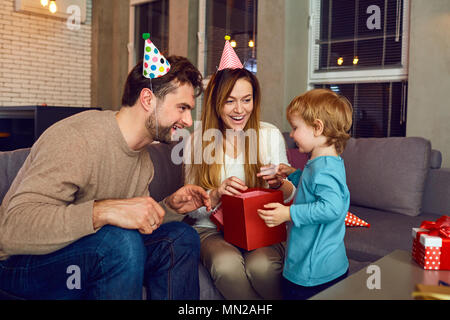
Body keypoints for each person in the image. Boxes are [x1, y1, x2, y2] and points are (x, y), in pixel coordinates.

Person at [0, 50, 211, 300]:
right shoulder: (78, 139)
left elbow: (132, 225)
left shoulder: (143, 158)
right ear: (148, 99)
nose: (188, 120)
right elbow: (10, 230)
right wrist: (103, 211)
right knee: (119, 242)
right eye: (182, 108)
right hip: (21, 265)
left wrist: (170, 208)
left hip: (92, 251)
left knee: (181, 238)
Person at [183, 38, 296, 300]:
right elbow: (194, 210)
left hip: (261, 226)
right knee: (227, 266)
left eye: (246, 100)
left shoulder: (268, 135)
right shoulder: (195, 142)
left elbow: (289, 200)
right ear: (216, 102)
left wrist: (280, 185)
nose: (239, 110)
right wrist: (216, 194)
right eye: (229, 101)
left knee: (262, 267)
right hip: (210, 230)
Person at [257, 88, 353, 300]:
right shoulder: (323, 163)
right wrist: (292, 174)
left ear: (317, 128)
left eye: (295, 127)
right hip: (318, 266)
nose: (291, 134)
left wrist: (288, 214)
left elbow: (332, 208)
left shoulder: (324, 168)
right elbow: (313, 189)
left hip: (314, 273)